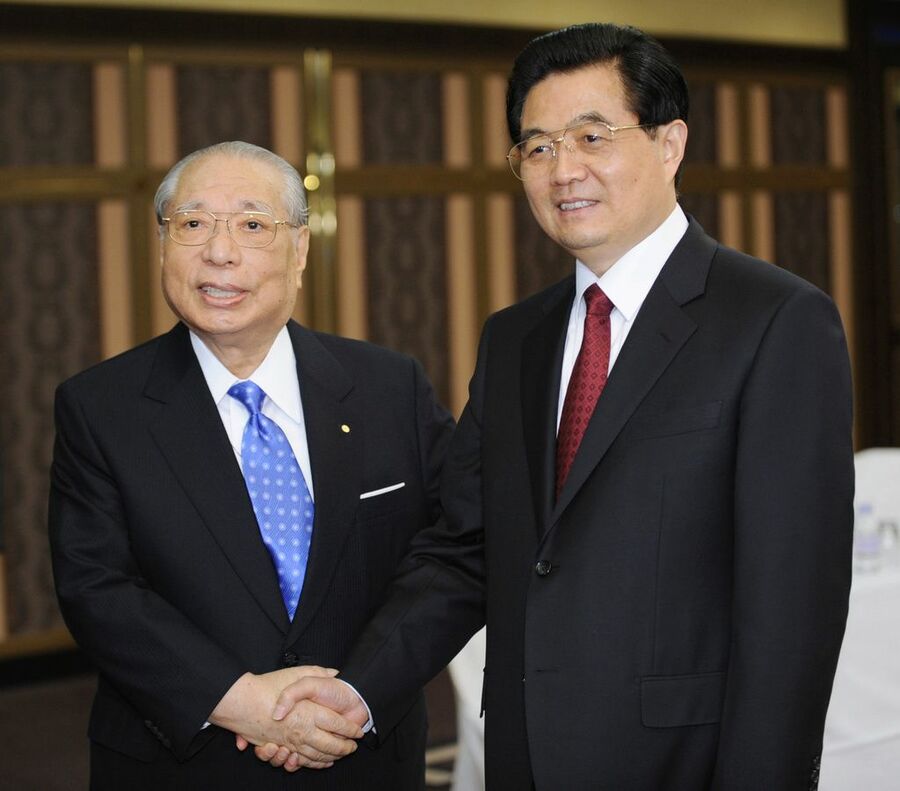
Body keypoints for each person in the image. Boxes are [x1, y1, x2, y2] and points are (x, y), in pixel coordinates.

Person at [257, 22, 855, 790]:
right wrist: (359, 689)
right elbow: (466, 549)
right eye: (537, 147)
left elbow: (792, 612)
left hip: (682, 764)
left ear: (670, 144)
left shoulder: (775, 321)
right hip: (526, 754)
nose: (563, 170)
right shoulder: (516, 338)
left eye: (592, 136)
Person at [48, 140, 453, 790]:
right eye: (193, 223)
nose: (220, 251)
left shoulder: (389, 388)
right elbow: (97, 588)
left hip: (364, 752)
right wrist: (245, 703)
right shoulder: (101, 407)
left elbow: (453, 551)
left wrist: (360, 693)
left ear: (300, 249)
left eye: (253, 224)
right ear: (163, 244)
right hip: (179, 765)